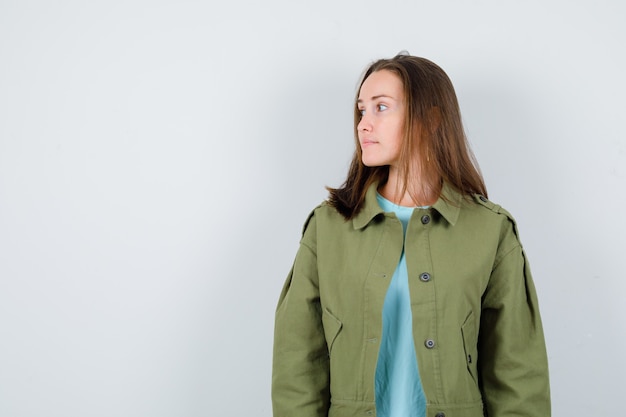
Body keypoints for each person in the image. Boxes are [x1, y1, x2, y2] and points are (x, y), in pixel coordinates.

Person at [271, 53, 550, 417]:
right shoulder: (327, 228)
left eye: (381, 108)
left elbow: (518, 374)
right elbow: (298, 363)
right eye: (361, 111)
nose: (363, 125)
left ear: (431, 119)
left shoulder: (490, 230)